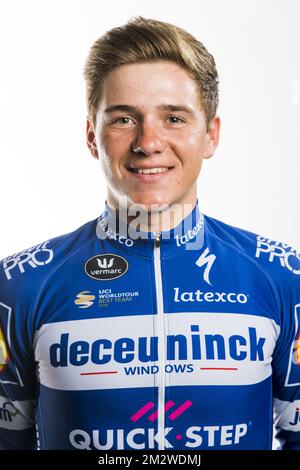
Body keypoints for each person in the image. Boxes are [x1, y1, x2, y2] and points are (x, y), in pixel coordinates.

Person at [0, 16, 299, 451]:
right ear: (91, 136)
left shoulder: (282, 276)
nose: (148, 142)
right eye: (124, 119)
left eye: (174, 118)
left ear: (210, 136)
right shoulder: (19, 284)